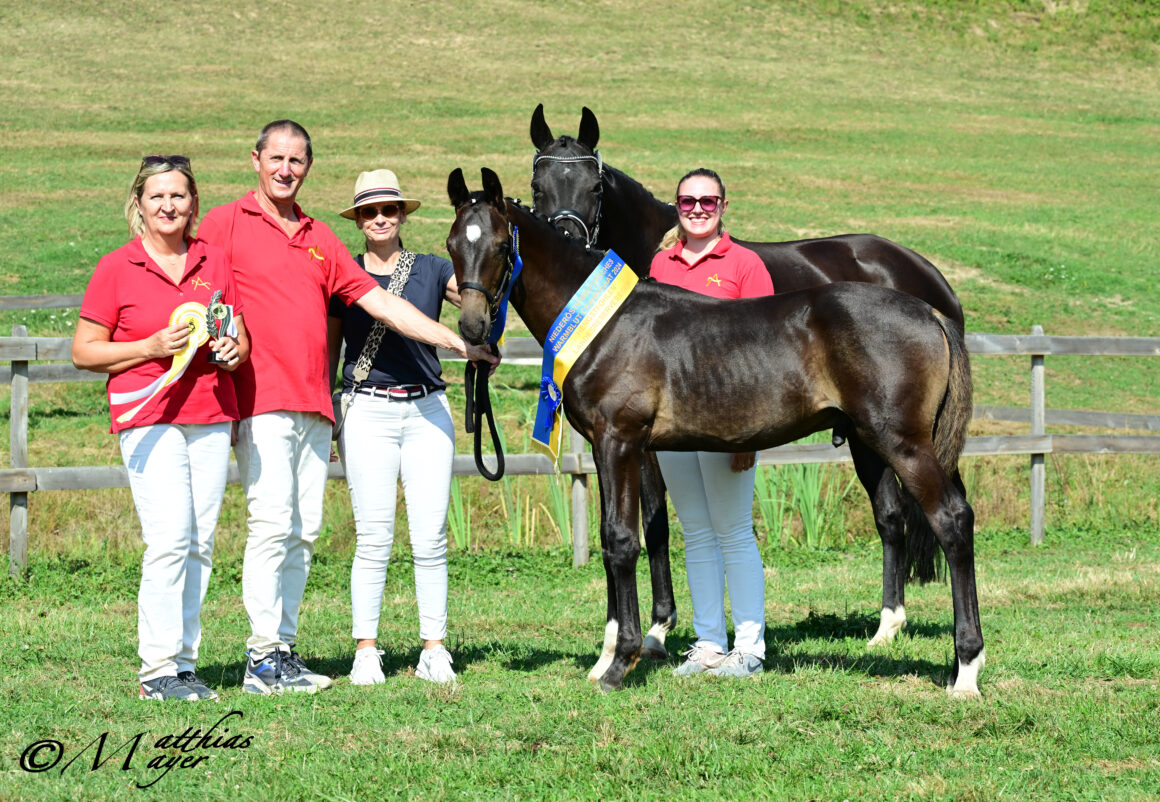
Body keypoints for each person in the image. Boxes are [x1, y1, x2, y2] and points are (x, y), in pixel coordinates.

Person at [196, 120, 497, 695]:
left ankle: (281, 652)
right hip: (262, 397)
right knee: (270, 525)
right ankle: (262, 658)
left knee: (304, 528)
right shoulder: (226, 222)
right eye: (276, 158)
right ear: (256, 159)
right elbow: (202, 288)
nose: (286, 169)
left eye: (297, 161)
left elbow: (381, 302)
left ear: (307, 167)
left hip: (313, 401)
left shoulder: (317, 236)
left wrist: (460, 343)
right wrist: (221, 335)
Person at [73, 154, 250, 701]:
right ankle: (156, 669)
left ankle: (184, 665)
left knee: (198, 544)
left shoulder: (213, 260)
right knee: (169, 539)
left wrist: (229, 351)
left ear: (193, 203)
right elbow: (84, 352)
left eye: (179, 196)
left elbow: (238, 339)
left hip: (209, 414)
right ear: (139, 205)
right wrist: (147, 348)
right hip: (148, 417)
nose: (169, 206)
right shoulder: (116, 267)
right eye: (158, 197)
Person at [327, 170, 461, 685]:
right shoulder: (343, 273)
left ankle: (434, 646)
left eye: (389, 209)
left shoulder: (431, 268)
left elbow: (479, 294)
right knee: (373, 535)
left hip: (427, 410)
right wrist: (332, 414)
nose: (380, 219)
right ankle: (366, 649)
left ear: (403, 215)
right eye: (369, 212)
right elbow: (331, 347)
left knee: (430, 538)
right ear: (358, 220)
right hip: (367, 410)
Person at [649, 168, 773, 678]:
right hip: (673, 421)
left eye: (707, 200)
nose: (697, 208)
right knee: (696, 532)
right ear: (676, 206)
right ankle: (707, 644)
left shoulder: (745, 264)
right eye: (687, 201)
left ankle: (750, 648)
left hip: (728, 421)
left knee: (734, 531)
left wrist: (752, 427)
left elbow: (769, 350)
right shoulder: (661, 262)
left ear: (724, 205)